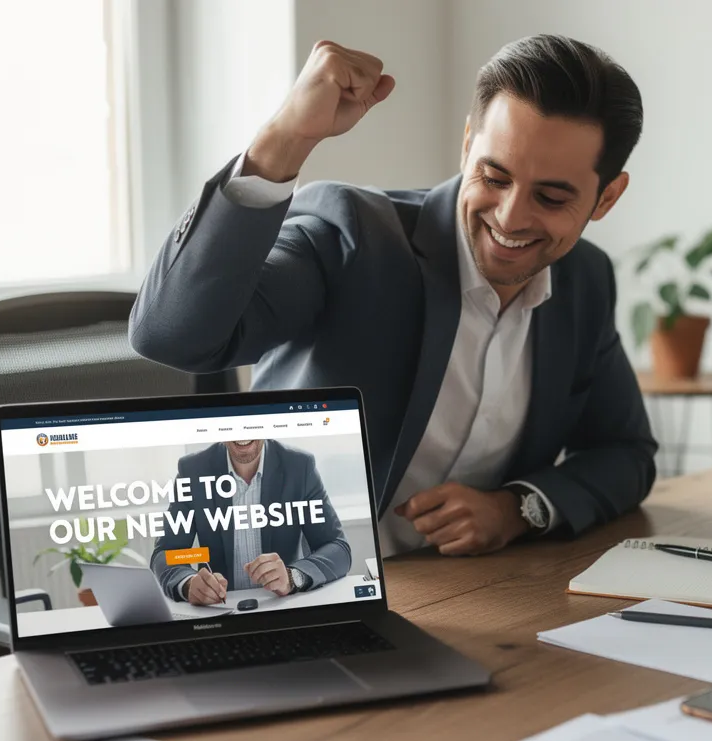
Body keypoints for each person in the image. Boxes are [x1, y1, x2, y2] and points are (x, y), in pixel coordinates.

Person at [130, 34, 656, 558]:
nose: (510, 217)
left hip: (460, 594)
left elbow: (625, 452)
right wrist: (283, 139)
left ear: (607, 196)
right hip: (281, 586)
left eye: (550, 196)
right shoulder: (353, 235)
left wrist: (516, 509)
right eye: (494, 176)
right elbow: (172, 336)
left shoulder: (584, 280)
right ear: (468, 142)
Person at [150, 439, 351, 606]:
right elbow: (167, 554)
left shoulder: (299, 466)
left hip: (286, 609)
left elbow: (337, 547)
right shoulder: (193, 470)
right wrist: (188, 583)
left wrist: (293, 577)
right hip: (222, 614)